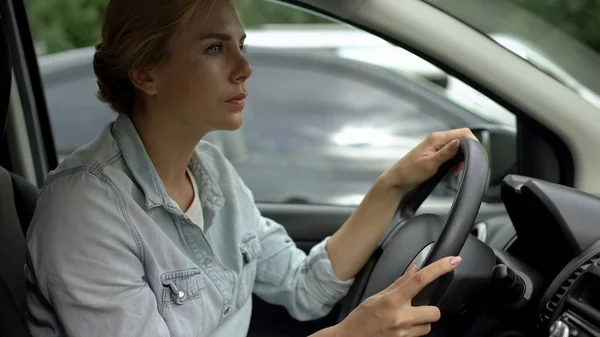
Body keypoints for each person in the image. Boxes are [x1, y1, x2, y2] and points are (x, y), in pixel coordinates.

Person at [24, 0, 477, 336]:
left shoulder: (212, 172)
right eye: (215, 49)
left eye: (240, 45)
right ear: (145, 74)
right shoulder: (84, 207)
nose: (244, 68)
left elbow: (304, 288)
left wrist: (393, 184)